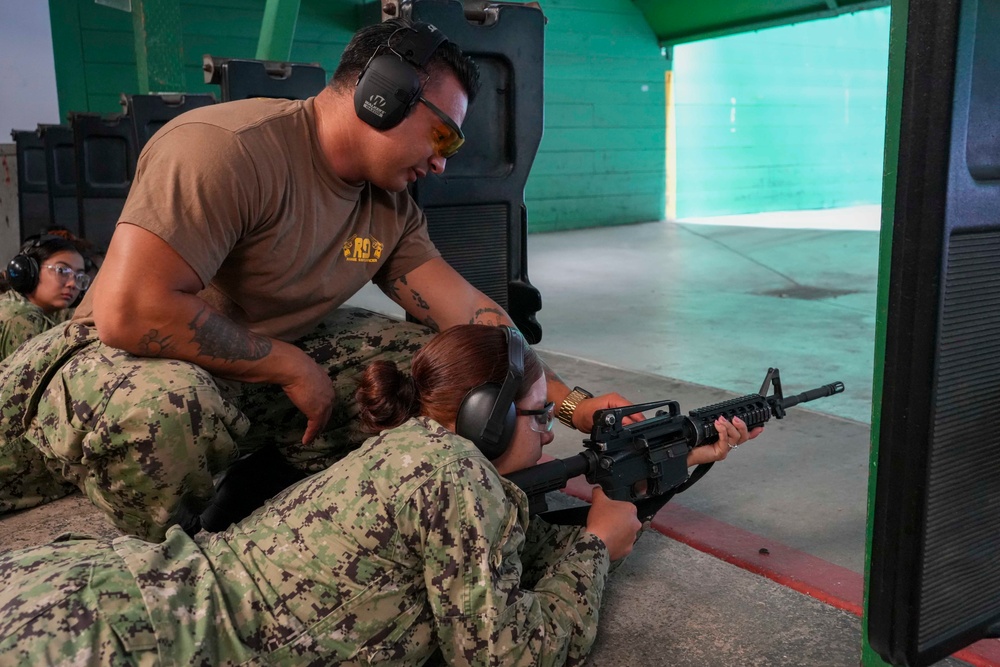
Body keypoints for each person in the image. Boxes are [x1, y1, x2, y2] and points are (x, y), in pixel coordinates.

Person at [0, 19, 636, 541]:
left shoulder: (388, 206)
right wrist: (288, 366)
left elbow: (467, 313)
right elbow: (128, 313)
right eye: (442, 134)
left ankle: (306, 487)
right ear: (381, 94)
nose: (442, 161)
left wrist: (571, 404)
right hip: (120, 359)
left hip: (242, 363)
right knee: (166, 412)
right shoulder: (226, 149)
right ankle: (185, 558)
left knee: (441, 366)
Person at [0, 324, 757, 666]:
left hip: (100, 588)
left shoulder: (413, 449)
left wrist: (675, 463)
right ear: (483, 421)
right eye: (537, 416)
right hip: (120, 644)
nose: (553, 433)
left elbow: (505, 557)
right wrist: (595, 547)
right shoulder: (457, 480)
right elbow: (506, 652)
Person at [0, 235, 90, 360]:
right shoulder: (20, 316)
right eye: (62, 271)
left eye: (79, 276)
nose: (72, 284)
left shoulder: (46, 311)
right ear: (30, 271)